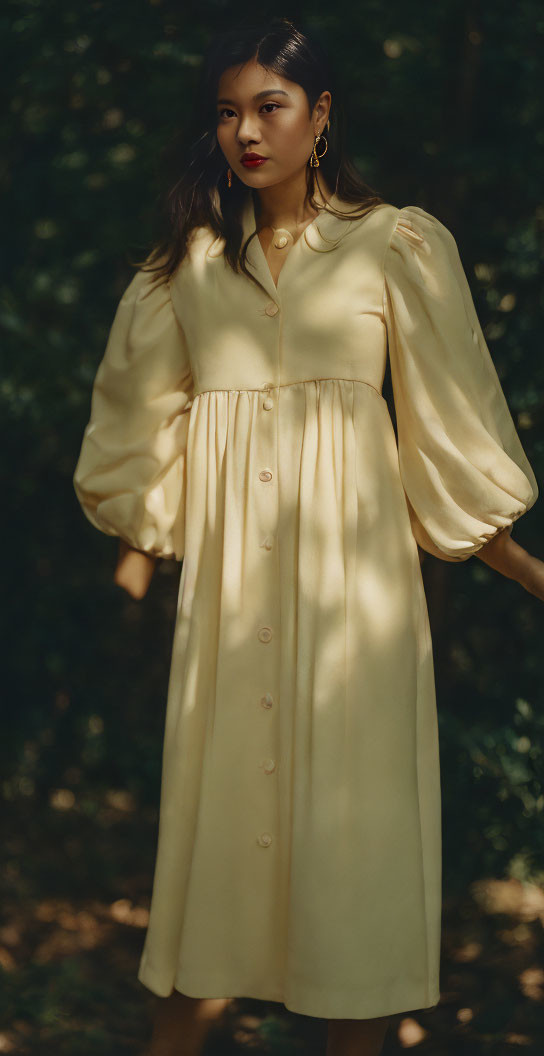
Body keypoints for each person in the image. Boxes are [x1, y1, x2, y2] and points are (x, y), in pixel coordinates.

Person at [72, 16, 543, 1056]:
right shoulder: (188, 267)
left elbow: (446, 421)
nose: (246, 130)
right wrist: (143, 547)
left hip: (357, 602)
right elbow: (133, 428)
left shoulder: (393, 245)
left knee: (352, 865)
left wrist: (512, 559)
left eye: (269, 106)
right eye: (228, 112)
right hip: (235, 600)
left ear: (320, 115)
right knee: (210, 872)